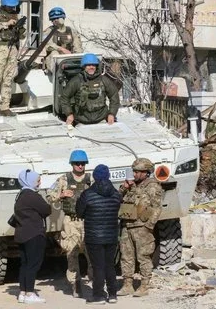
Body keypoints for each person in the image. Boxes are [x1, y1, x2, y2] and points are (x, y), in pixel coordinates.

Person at [46, 149, 93, 298]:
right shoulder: (63, 180)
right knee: (71, 253)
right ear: (72, 164)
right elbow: (49, 195)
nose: (80, 166)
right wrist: (61, 195)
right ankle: (75, 284)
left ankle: (94, 280)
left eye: (82, 163)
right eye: (77, 163)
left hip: (87, 220)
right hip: (70, 221)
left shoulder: (90, 179)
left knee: (91, 252)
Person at [76, 164, 122, 305]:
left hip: (94, 236)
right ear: (108, 176)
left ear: (95, 177)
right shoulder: (116, 194)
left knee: (98, 266)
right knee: (109, 265)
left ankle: (98, 296)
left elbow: (79, 212)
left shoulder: (88, 194)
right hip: (111, 236)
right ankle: (113, 294)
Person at [118, 158, 163, 297]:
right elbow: (117, 198)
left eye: (138, 171)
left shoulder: (152, 186)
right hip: (127, 225)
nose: (135, 174)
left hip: (142, 226)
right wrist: (124, 188)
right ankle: (127, 284)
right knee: (126, 256)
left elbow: (157, 207)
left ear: (146, 172)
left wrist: (149, 226)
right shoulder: (130, 186)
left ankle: (144, 285)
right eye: (134, 171)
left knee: (143, 256)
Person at [14, 169, 51, 304]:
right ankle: (30, 293)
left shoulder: (21, 195)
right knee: (33, 264)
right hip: (34, 234)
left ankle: (22, 292)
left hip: (22, 234)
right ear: (30, 181)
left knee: (25, 264)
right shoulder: (32, 195)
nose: (39, 182)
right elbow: (47, 210)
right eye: (37, 180)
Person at [60, 53, 120, 126]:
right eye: (88, 65)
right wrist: (69, 114)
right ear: (83, 66)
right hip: (81, 121)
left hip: (102, 119)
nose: (91, 67)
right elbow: (64, 97)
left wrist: (112, 113)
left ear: (96, 66)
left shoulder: (104, 80)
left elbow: (114, 95)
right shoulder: (76, 81)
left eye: (93, 65)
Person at [44, 7, 82, 72]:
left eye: (57, 18)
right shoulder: (48, 31)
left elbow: (77, 47)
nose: (55, 21)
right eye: (53, 19)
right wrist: (62, 49)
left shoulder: (71, 31)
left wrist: (76, 56)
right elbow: (47, 45)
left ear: (63, 18)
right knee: (54, 53)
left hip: (69, 58)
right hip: (54, 61)